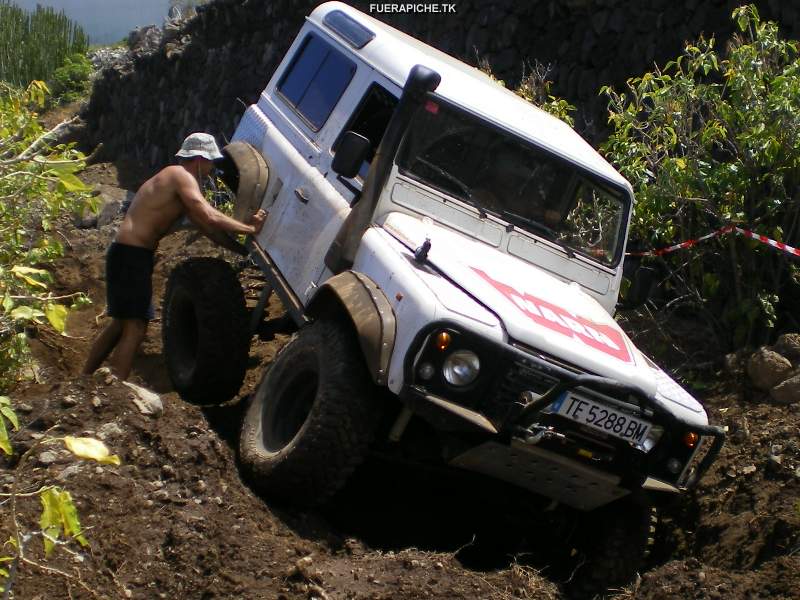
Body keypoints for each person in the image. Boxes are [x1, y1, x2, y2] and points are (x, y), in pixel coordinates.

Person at [82, 132, 266, 380]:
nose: (212, 167)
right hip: (131, 256)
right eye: (210, 161)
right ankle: (115, 383)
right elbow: (209, 215)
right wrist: (250, 228)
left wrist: (243, 250)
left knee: (120, 324)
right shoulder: (180, 176)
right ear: (199, 158)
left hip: (128, 255)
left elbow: (208, 228)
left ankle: (84, 378)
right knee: (136, 327)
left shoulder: (177, 184)